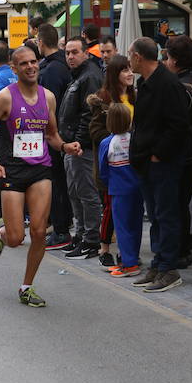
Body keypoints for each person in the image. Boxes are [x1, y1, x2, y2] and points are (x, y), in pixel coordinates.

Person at [0, 45, 82, 307]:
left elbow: (51, 134)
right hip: (13, 170)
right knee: (15, 238)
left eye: (34, 62)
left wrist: (65, 146)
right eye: (24, 64)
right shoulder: (5, 98)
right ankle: (1, 232)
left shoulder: (48, 98)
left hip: (40, 169)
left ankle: (27, 286)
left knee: (37, 231)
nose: (31, 67)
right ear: (15, 68)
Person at [128, 37, 192, 292]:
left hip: (163, 162)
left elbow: (179, 126)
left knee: (166, 214)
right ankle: (158, 263)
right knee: (155, 215)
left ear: (138, 57)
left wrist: (158, 154)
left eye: (131, 54)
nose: (129, 58)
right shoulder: (145, 82)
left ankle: (168, 267)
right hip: (147, 161)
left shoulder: (167, 84)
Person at [88, 54, 135, 269]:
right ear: (115, 75)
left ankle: (128, 252)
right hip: (113, 164)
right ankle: (104, 248)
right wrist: (116, 136)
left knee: (131, 211)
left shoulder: (135, 96)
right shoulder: (104, 98)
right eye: (125, 70)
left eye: (130, 69)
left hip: (133, 164)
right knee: (110, 208)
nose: (130, 74)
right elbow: (94, 130)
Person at [58, 36, 104, 259]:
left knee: (86, 193)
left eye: (75, 52)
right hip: (70, 145)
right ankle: (81, 235)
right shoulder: (78, 76)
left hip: (81, 147)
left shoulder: (90, 76)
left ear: (86, 53)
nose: (70, 56)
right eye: (67, 52)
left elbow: (90, 114)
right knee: (75, 192)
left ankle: (91, 240)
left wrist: (78, 141)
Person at [164, 34, 192, 268]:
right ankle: (186, 243)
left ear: (176, 60)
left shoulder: (180, 85)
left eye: (168, 57)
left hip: (183, 151)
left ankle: (180, 249)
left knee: (177, 203)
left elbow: (176, 123)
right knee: (183, 200)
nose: (166, 62)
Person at [37, 23, 73, 249]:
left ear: (41, 42)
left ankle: (61, 229)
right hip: (60, 132)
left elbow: (47, 106)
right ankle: (60, 224)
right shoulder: (59, 66)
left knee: (57, 182)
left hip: (54, 134)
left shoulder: (51, 70)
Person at [98, 103, 143, 277]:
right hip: (137, 188)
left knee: (122, 227)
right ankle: (133, 257)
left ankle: (128, 264)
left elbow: (103, 169)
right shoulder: (134, 139)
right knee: (135, 225)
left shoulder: (107, 142)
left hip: (118, 190)